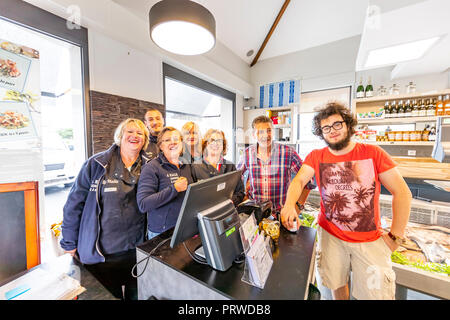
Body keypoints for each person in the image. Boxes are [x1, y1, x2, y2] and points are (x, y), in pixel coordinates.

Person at [280, 102, 412, 300]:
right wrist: (289, 204)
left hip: (369, 241)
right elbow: (299, 180)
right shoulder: (317, 156)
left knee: (375, 296)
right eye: (326, 128)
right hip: (330, 237)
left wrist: (396, 236)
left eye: (337, 124)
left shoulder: (373, 153)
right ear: (320, 132)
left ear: (348, 125)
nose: (332, 131)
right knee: (335, 284)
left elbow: (402, 193)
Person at [60, 118, 151, 300]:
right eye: (130, 132)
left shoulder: (150, 167)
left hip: (136, 250)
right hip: (102, 254)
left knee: (137, 296)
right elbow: (74, 204)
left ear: (145, 140)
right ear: (120, 136)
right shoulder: (96, 164)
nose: (134, 136)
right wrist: (68, 241)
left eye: (140, 133)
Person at [237, 115, 313, 216]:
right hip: (255, 214)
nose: (266, 135)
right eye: (261, 132)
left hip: (281, 215)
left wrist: (298, 206)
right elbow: (236, 178)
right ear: (254, 135)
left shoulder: (288, 153)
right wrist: (244, 195)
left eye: (269, 130)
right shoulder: (247, 153)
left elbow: (308, 180)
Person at [137, 127, 194, 240]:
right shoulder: (152, 167)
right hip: (163, 234)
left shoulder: (186, 165)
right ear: (160, 146)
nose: (173, 142)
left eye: (176, 139)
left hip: (185, 228)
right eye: (167, 140)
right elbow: (143, 204)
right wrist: (174, 189)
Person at [191, 128, 245, 206]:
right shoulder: (195, 167)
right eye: (212, 140)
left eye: (219, 141)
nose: (215, 144)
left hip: (227, 211)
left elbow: (240, 192)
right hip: (204, 214)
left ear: (223, 145)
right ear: (206, 144)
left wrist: (232, 201)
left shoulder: (230, 167)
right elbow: (191, 197)